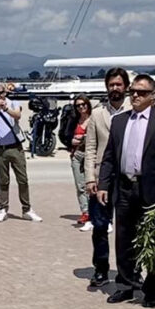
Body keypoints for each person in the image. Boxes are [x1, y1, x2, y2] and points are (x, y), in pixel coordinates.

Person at [96, 74, 155, 308]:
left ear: (152, 96)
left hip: (151, 190)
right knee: (123, 239)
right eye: (132, 91)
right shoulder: (119, 121)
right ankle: (126, 285)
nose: (135, 95)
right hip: (124, 187)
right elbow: (109, 157)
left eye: (141, 92)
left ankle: (152, 290)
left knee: (152, 241)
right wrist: (103, 184)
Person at [84, 68, 132, 287]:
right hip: (100, 177)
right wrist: (90, 178)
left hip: (126, 177)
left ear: (126, 87)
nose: (115, 88)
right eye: (111, 85)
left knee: (127, 227)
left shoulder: (133, 110)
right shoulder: (97, 114)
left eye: (118, 84)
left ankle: (129, 271)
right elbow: (90, 148)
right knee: (100, 226)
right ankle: (101, 269)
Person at [0, 82, 41, 223]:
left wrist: (5, 108)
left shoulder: (13, 103)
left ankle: (27, 209)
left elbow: (17, 115)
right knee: (3, 181)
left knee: (23, 179)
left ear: (5, 92)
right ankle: (3, 209)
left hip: (15, 147)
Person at [66, 95, 93, 231]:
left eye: (83, 104)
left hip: (90, 155)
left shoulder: (93, 119)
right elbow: (65, 135)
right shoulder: (74, 120)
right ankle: (85, 212)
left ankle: (94, 212)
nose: (81, 107)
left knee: (91, 185)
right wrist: (70, 141)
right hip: (76, 155)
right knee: (80, 185)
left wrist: (83, 138)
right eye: (78, 105)